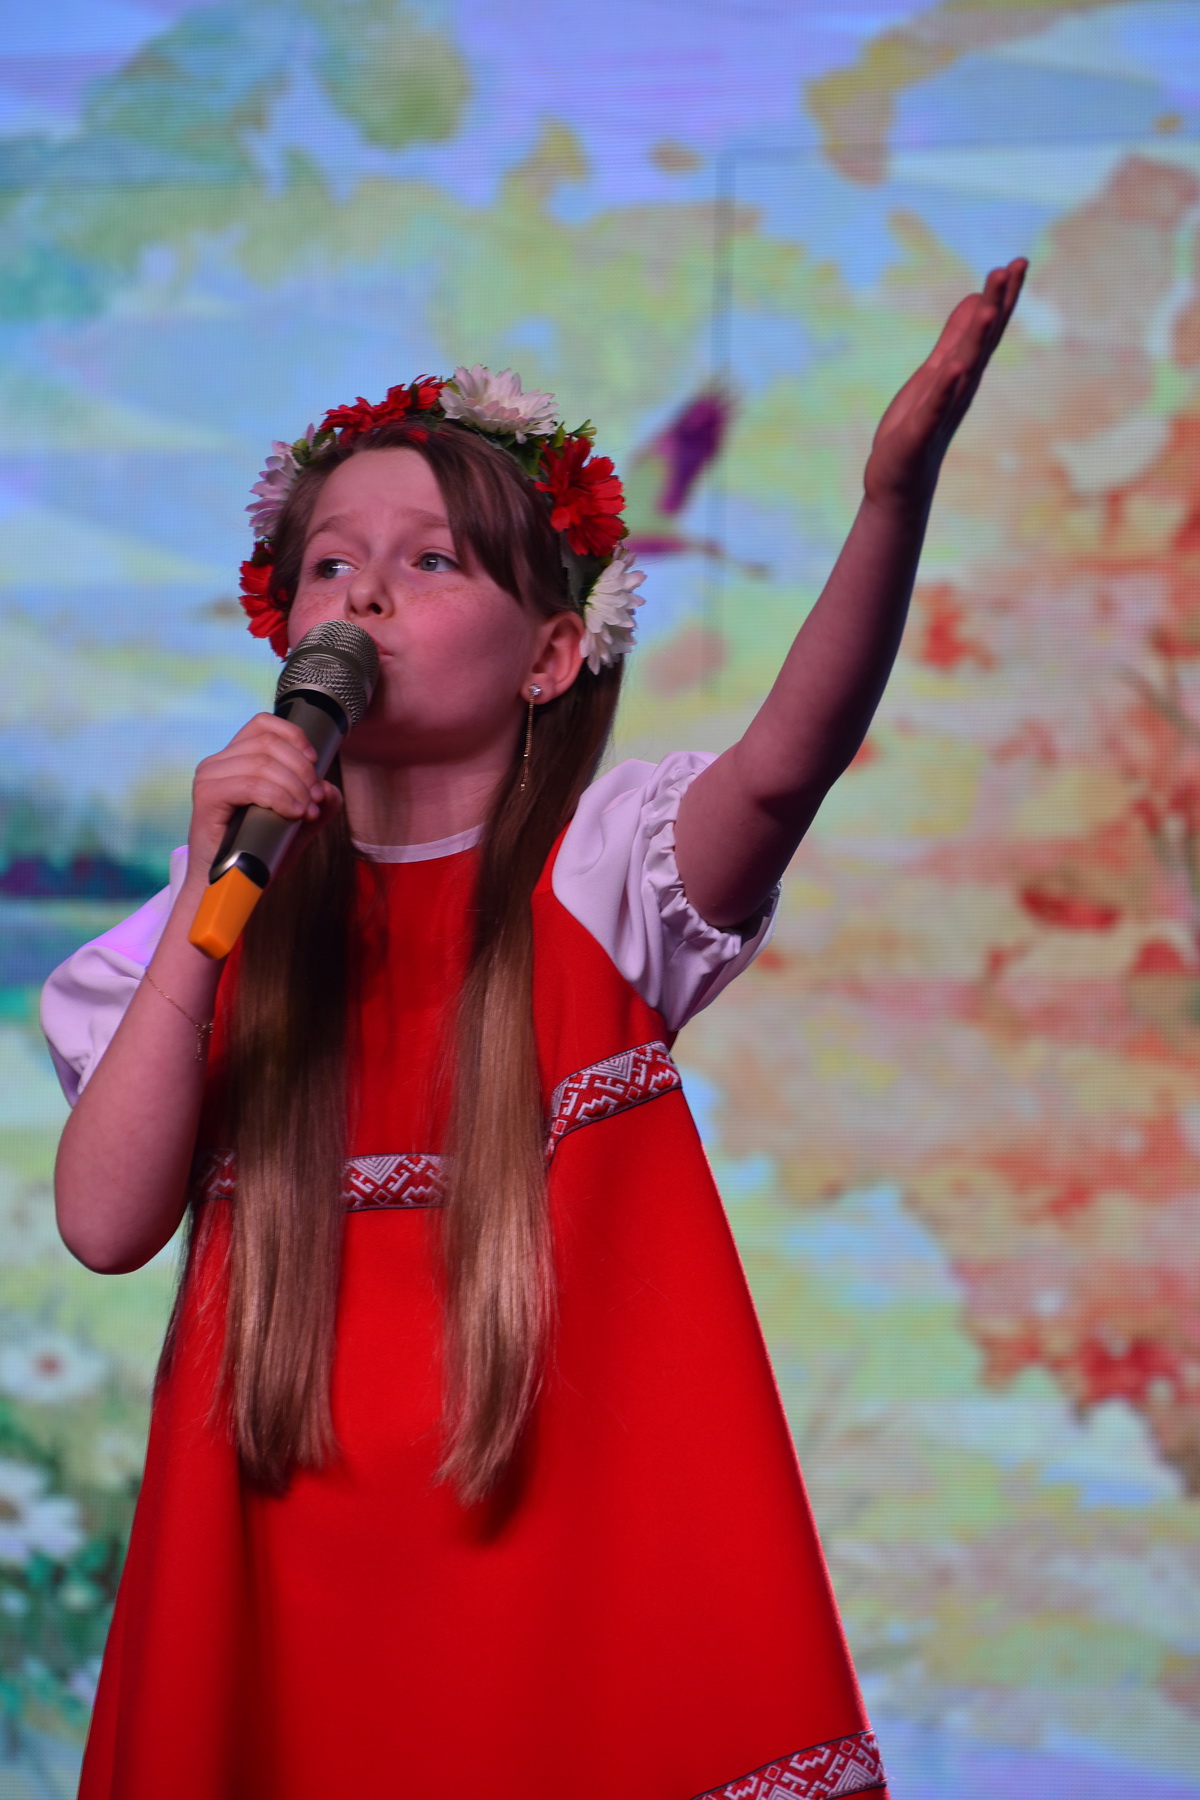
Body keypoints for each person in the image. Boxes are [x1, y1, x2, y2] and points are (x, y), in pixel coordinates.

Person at [42, 261, 1025, 1800]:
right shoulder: (215, 913)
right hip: (297, 1604)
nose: (363, 596)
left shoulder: (605, 871)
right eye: (328, 566)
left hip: (571, 1605)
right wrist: (210, 899)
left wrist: (892, 497)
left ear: (554, 655)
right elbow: (106, 1225)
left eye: (431, 561)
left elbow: (788, 763)